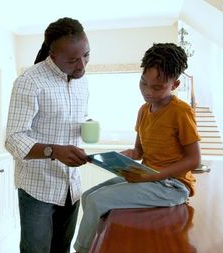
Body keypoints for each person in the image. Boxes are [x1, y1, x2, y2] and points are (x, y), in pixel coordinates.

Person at [73, 42, 201, 253]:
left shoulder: (181, 112)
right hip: (148, 176)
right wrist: (117, 157)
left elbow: (194, 160)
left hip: (172, 186)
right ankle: (99, 246)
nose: (148, 92)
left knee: (96, 201)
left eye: (157, 87)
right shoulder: (143, 110)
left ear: (175, 85)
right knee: (87, 196)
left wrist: (152, 177)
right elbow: (138, 152)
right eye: (143, 83)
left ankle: (82, 250)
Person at [5, 17, 91, 253]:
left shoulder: (82, 82)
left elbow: (69, 120)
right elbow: (13, 138)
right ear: (53, 56)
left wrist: (86, 125)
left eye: (86, 55)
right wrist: (54, 151)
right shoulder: (30, 81)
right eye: (73, 60)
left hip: (71, 186)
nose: (82, 65)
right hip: (38, 187)